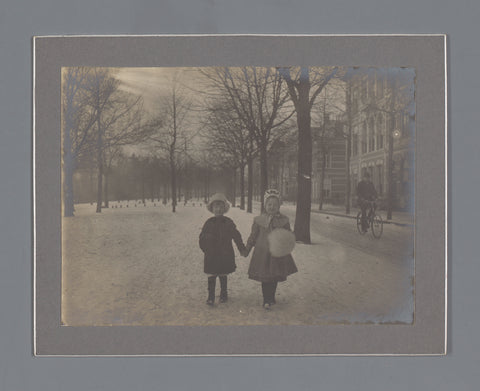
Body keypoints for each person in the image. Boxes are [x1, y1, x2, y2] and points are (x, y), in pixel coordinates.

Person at [244, 189, 298, 310]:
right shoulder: (259, 220)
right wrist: (246, 249)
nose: (272, 207)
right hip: (262, 253)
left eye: (275, 204)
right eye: (269, 204)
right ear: (265, 205)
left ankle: (271, 296)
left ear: (279, 206)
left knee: (274, 276)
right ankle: (266, 299)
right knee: (265, 277)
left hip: (276, 254)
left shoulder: (284, 220)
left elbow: (288, 235)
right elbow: (253, 236)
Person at [199, 193, 246, 306]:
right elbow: (201, 238)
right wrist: (206, 248)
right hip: (211, 254)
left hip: (225, 253)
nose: (218, 209)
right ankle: (211, 296)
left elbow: (236, 235)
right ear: (212, 209)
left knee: (223, 274)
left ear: (224, 209)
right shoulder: (208, 223)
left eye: (221, 207)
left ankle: (224, 294)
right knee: (212, 274)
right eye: (216, 207)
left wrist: (241, 248)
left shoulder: (228, 222)